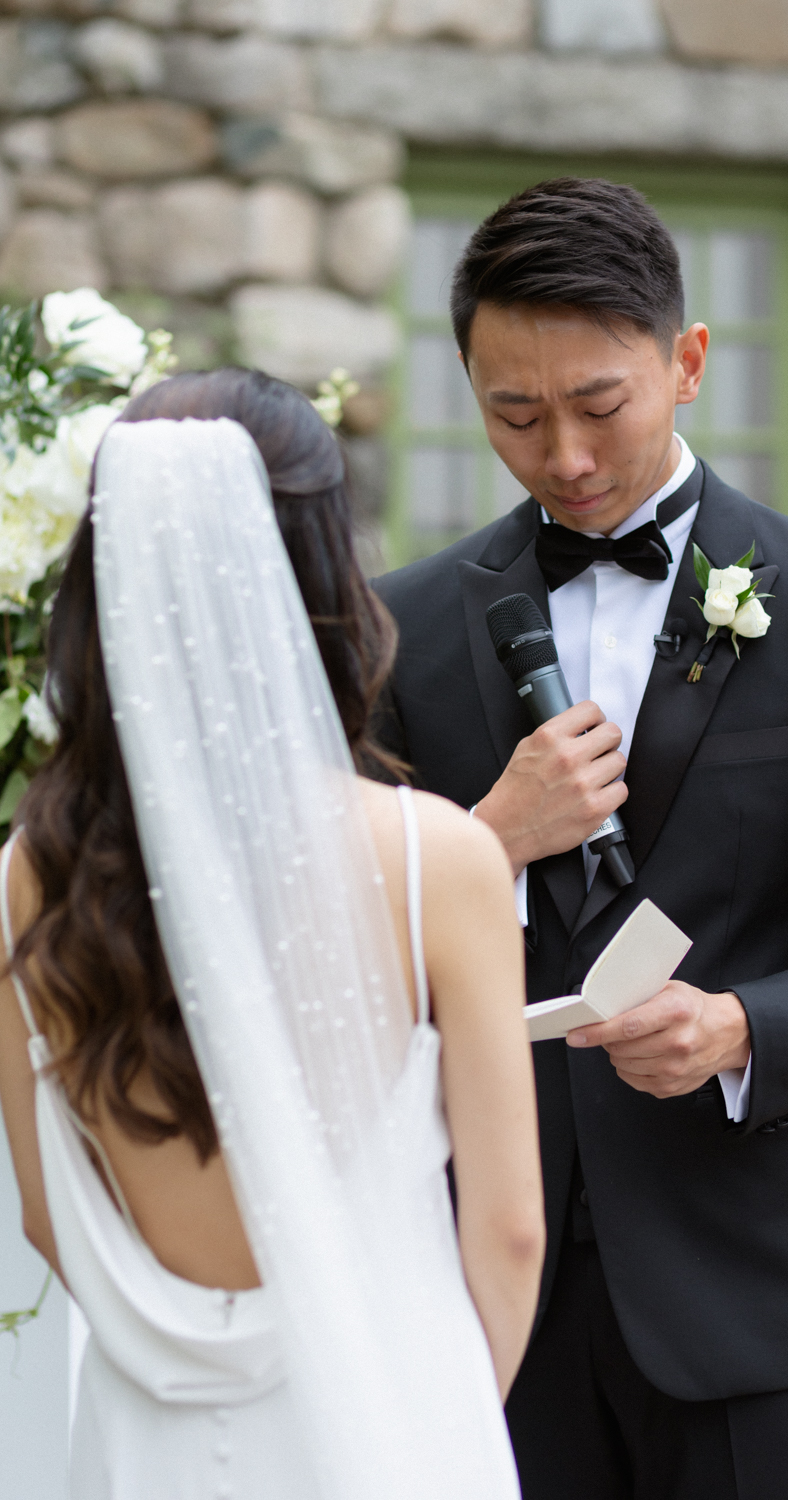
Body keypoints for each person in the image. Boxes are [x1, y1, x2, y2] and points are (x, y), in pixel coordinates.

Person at [372, 177, 788, 1499]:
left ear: (688, 362)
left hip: (754, 1295)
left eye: (600, 406)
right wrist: (490, 838)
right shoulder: (402, 630)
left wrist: (747, 1032)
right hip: (480, 1289)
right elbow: (336, 950)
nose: (566, 458)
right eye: (513, 416)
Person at [0, 368, 544, 1499]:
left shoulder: (26, 875)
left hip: (139, 1448)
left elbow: (51, 1218)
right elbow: (508, 1236)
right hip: (392, 1440)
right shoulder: (437, 860)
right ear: (317, 570)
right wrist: (425, 1421)